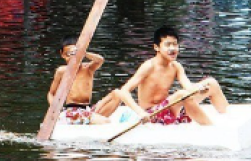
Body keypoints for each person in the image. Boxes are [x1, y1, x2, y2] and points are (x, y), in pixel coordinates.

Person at [94, 25, 228, 126]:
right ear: (157, 47)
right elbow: (124, 91)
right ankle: (210, 128)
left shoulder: (176, 66)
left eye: (175, 45)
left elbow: (188, 87)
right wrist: (140, 113)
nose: (172, 49)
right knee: (181, 94)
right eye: (168, 45)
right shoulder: (149, 66)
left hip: (169, 110)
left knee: (211, 83)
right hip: (152, 115)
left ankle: (228, 117)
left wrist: (200, 89)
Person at [47, 37, 110, 125]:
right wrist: (55, 109)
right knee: (105, 121)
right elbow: (51, 93)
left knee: (116, 94)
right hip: (72, 111)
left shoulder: (88, 68)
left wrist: (83, 52)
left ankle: (92, 120)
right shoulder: (62, 71)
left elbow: (100, 60)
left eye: (74, 54)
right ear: (62, 55)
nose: (71, 57)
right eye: (68, 54)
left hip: (87, 108)